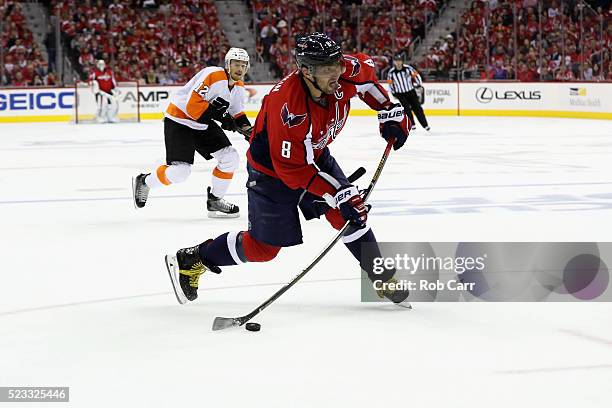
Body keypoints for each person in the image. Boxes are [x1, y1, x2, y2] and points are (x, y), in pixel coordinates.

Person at [164, 33, 411, 306]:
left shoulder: (343, 71)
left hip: (314, 155)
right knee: (263, 249)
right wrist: (339, 193)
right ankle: (194, 259)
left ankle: (380, 275)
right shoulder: (288, 106)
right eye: (328, 69)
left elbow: (367, 81)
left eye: (337, 65)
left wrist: (389, 109)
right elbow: (293, 170)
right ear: (306, 71)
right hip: (272, 171)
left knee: (350, 217)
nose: (337, 74)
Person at [132, 48, 253, 218]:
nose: (239, 69)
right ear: (227, 64)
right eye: (236, 64)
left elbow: (237, 113)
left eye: (243, 65)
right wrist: (222, 117)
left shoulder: (239, 86)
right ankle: (144, 181)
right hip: (179, 120)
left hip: (201, 123)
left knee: (230, 158)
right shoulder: (213, 75)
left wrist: (250, 132)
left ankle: (215, 200)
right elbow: (192, 106)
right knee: (180, 172)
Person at [387, 55, 430, 131]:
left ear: (402, 61)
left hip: (411, 92)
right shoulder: (391, 73)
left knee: (418, 108)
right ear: (394, 62)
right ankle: (412, 124)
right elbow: (390, 84)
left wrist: (419, 84)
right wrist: (393, 93)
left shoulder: (408, 69)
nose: (398, 62)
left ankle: (425, 125)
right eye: (396, 61)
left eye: (399, 60)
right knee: (407, 110)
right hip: (400, 94)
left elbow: (416, 76)